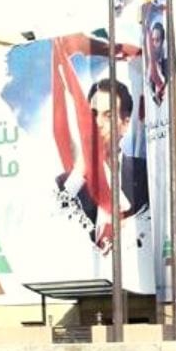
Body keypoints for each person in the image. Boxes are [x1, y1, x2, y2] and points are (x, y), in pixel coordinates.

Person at [55, 78, 149, 251]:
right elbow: (54, 229)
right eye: (93, 114)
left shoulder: (144, 175)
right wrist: (79, 174)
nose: (98, 123)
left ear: (125, 124)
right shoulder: (65, 184)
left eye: (108, 115)